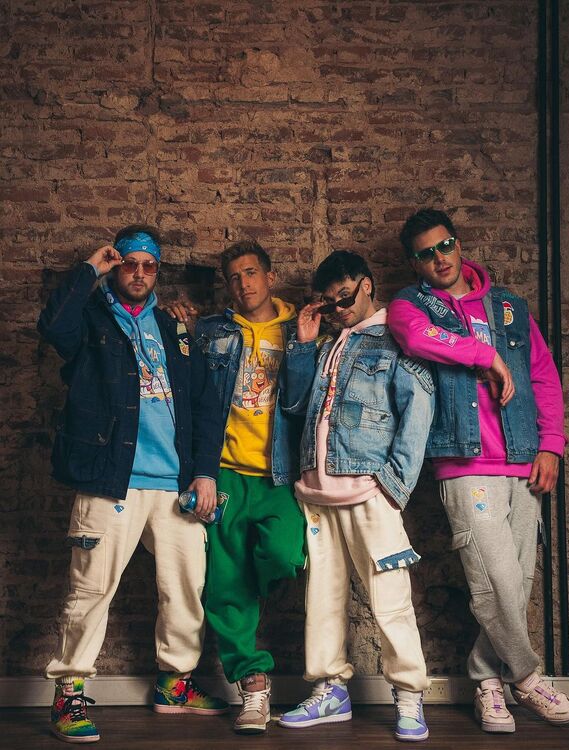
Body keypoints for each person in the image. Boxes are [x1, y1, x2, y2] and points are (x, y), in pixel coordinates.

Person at [389, 208, 569, 733]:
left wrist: (551, 445)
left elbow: (542, 376)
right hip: (465, 461)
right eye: (426, 254)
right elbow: (416, 338)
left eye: (445, 245)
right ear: (415, 263)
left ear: (458, 244)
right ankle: (528, 677)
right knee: (493, 579)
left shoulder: (510, 308)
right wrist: (483, 355)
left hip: (523, 457)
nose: (440, 258)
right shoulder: (411, 305)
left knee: (516, 582)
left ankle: (486, 679)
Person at [38, 226, 228, 744]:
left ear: (157, 271)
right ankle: (69, 693)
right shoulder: (91, 319)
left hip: (176, 485)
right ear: (116, 265)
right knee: (91, 590)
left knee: (185, 588)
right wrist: (89, 269)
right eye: (129, 263)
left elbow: (205, 405)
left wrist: (205, 471)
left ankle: (175, 683)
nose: (140, 273)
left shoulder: (174, 328)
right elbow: (52, 327)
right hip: (110, 479)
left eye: (149, 265)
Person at [278, 251, 434, 743]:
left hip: (369, 492)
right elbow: (294, 407)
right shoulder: (326, 345)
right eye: (330, 302)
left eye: (345, 297)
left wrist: (393, 485)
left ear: (367, 285)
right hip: (317, 494)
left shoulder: (396, 340)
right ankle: (330, 690)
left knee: (390, 601)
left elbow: (419, 410)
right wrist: (304, 346)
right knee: (322, 601)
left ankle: (408, 696)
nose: (339, 309)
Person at [193, 241, 306, 734]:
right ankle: (252, 685)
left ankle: (248, 589)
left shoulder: (300, 330)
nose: (244, 284)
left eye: (252, 273)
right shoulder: (213, 332)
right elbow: (197, 403)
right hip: (226, 473)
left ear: (270, 276)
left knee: (284, 553)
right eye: (234, 278)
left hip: (279, 474)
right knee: (222, 585)